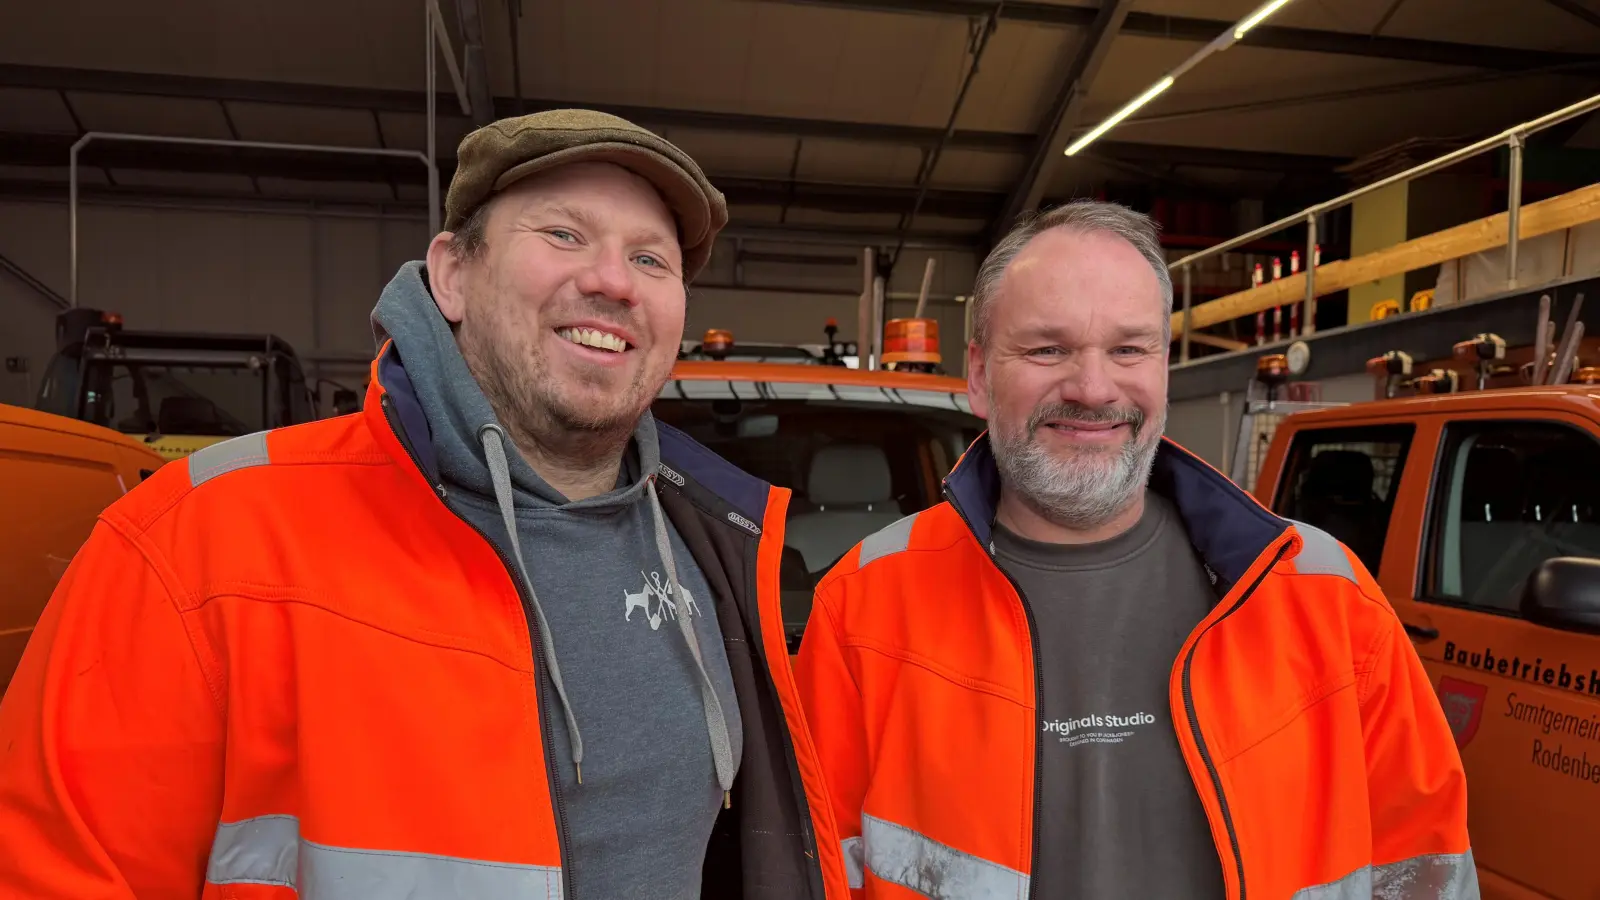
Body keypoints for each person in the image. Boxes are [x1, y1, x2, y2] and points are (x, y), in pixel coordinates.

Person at [0, 109, 845, 900]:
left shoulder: (716, 550)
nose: (614, 281)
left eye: (651, 258)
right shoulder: (200, 542)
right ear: (452, 275)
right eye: (563, 233)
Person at [793, 201, 1477, 899]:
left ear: (1163, 366)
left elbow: (1426, 871)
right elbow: (810, 872)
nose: (1093, 389)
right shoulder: (864, 608)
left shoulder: (1329, 600)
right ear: (977, 374)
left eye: (1128, 349)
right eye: (1046, 349)